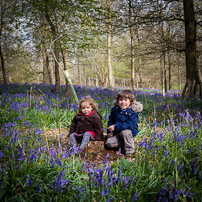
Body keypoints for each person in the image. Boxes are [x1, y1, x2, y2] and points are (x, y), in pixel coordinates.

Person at [105, 89, 143, 157]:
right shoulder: (115, 110)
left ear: (130, 101)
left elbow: (130, 125)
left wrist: (116, 126)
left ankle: (129, 151)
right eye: (121, 100)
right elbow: (111, 121)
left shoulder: (133, 111)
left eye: (126, 100)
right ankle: (125, 143)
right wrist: (109, 131)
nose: (123, 102)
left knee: (125, 132)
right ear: (117, 101)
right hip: (118, 132)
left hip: (129, 131)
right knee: (109, 143)